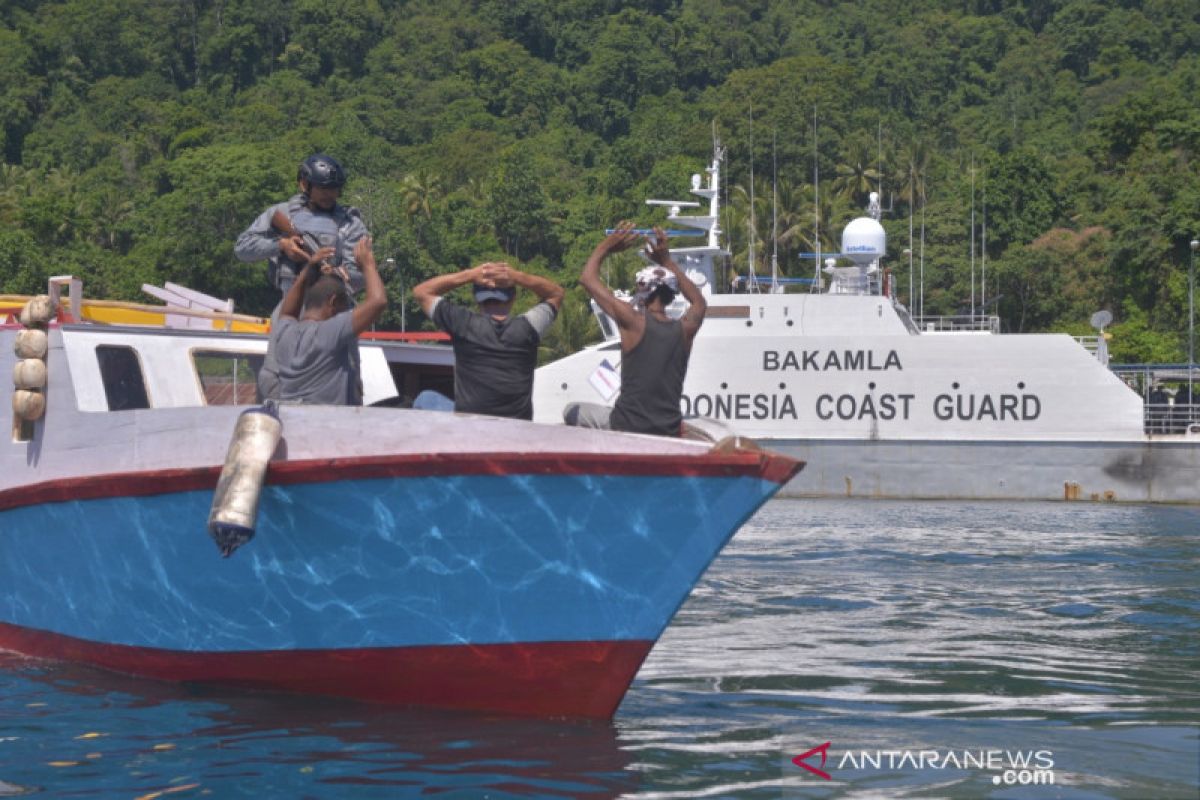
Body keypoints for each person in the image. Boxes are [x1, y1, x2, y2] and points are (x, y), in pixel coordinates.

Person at [234, 153, 370, 400]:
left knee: (348, 380)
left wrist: (338, 275)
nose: (330, 195)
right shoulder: (281, 213)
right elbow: (242, 248)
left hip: (335, 311)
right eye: (324, 188)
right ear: (304, 184)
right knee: (272, 379)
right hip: (290, 307)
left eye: (335, 189)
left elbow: (363, 273)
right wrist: (281, 245)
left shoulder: (350, 224)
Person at [564, 223, 707, 436]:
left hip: (627, 425)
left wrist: (606, 247)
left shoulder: (632, 321)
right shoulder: (685, 329)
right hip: (666, 430)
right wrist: (667, 261)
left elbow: (587, 278)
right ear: (670, 294)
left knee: (570, 411)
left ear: (644, 292)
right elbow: (699, 303)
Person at [413, 262, 563, 420]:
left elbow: (421, 292)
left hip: (471, 425)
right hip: (516, 426)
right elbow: (556, 293)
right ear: (513, 298)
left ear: (478, 300)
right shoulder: (529, 328)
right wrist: (517, 276)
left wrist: (469, 275)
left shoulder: (463, 324)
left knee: (425, 398)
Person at [268, 237, 387, 405]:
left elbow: (288, 311)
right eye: (346, 305)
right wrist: (368, 265)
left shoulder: (284, 332)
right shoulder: (329, 333)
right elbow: (378, 301)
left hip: (290, 421)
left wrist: (308, 269)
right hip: (326, 427)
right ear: (333, 302)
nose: (348, 311)